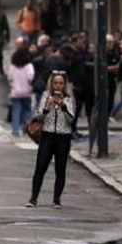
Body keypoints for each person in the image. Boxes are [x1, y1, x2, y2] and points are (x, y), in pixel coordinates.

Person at [26, 72, 75, 209]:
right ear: (51, 84)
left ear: (64, 84)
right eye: (55, 83)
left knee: (60, 168)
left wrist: (63, 107)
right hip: (47, 135)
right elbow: (38, 117)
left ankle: (57, 199)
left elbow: (71, 120)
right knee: (40, 167)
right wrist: (46, 109)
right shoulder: (45, 96)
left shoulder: (69, 98)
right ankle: (33, 198)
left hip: (63, 136)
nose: (58, 86)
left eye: (60, 83)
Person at [7, 47, 35, 137]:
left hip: (15, 92)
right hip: (26, 92)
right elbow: (31, 78)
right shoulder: (29, 66)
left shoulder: (12, 67)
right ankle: (26, 129)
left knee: (16, 111)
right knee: (27, 111)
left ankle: (15, 131)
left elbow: (10, 78)